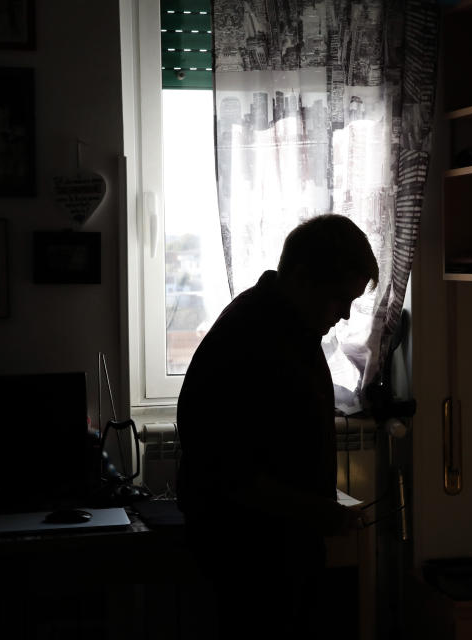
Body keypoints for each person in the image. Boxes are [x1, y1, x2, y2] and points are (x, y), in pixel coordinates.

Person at [175, 214, 378, 639]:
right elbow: (227, 473)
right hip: (251, 557)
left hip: (279, 550)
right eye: (339, 298)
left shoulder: (287, 328)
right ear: (303, 277)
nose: (344, 314)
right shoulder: (251, 339)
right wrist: (316, 511)